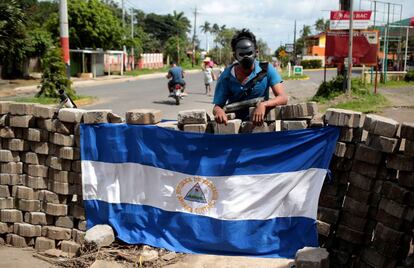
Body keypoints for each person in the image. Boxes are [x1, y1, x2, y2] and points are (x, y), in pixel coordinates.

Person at [212, 29, 288, 125]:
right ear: (235, 55)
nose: (246, 57)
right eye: (242, 54)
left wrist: (264, 104)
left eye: (249, 53)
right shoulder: (226, 76)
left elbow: (283, 97)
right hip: (235, 126)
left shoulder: (266, 69)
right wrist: (219, 111)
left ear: (256, 52)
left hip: (259, 125)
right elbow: (217, 106)